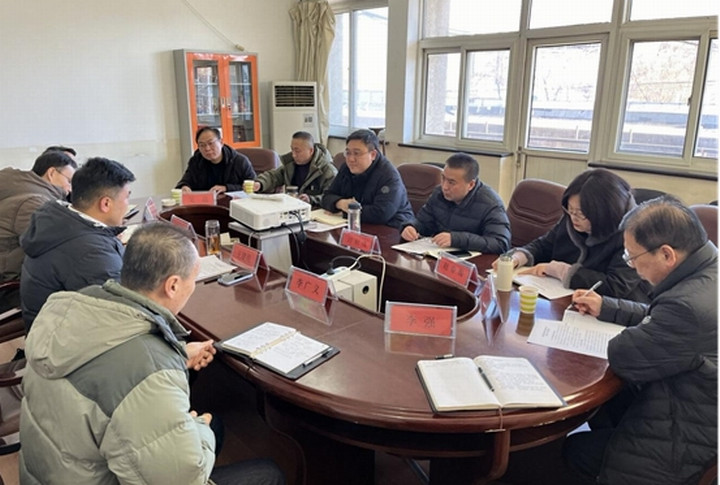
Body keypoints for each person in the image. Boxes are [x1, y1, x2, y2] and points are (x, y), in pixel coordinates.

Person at [19, 223, 285, 485]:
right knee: (268, 472)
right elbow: (182, 478)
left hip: (47, 472)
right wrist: (199, 428)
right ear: (172, 286)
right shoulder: (148, 372)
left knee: (213, 428)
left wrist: (175, 356)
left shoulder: (76, 307)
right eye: (192, 280)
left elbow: (109, 369)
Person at [563, 196, 717, 485]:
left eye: (632, 257)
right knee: (606, 407)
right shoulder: (707, 271)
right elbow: (658, 316)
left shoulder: (687, 308)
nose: (631, 266)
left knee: (575, 449)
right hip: (693, 409)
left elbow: (623, 356)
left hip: (682, 442)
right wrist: (608, 306)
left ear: (667, 255)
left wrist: (636, 331)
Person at [496, 168, 651, 301]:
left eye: (581, 213)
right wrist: (518, 257)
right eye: (570, 210)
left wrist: (560, 271)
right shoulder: (571, 219)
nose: (573, 218)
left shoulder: (634, 234)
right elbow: (544, 245)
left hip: (611, 310)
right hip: (563, 297)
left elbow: (616, 286)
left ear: (604, 213)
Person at [20, 156, 136, 333]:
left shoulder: (59, 220)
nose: (127, 205)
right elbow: (124, 313)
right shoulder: (90, 252)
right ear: (105, 203)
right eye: (127, 197)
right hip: (63, 342)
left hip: (48, 331)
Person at [400, 153, 511, 253]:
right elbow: (424, 222)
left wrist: (456, 239)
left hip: (474, 263)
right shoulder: (439, 193)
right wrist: (411, 227)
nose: (444, 187)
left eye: (451, 182)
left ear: (471, 185)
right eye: (443, 178)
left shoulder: (490, 204)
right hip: (440, 255)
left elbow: (500, 243)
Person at [0, 150, 77, 285]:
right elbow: (53, 245)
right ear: (52, 173)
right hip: (13, 279)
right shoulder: (34, 202)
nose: (70, 189)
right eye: (69, 181)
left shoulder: (20, 189)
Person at [320, 129, 414, 229]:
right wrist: (340, 203)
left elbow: (381, 213)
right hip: (356, 224)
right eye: (348, 153)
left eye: (357, 153)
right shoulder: (347, 168)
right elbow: (327, 196)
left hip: (392, 228)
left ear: (373, 155)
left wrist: (345, 212)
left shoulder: (389, 176)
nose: (351, 159)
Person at [253, 131, 337, 206]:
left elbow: (331, 197)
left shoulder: (328, 171)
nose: (293, 155)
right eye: (292, 149)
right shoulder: (291, 165)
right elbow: (274, 176)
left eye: (297, 151)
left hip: (314, 211)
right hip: (291, 208)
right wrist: (260, 183)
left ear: (311, 151)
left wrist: (311, 199)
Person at [176, 126, 256, 194]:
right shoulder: (196, 161)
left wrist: (227, 188)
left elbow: (254, 187)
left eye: (211, 143)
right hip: (206, 204)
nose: (207, 148)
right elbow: (185, 181)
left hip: (233, 204)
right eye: (202, 145)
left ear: (221, 142)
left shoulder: (240, 161)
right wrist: (184, 187)